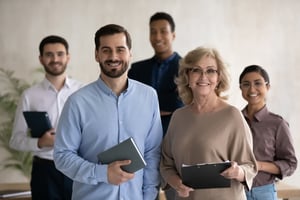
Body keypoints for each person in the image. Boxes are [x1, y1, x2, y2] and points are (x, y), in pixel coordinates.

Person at [53, 24, 163, 200]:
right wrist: (102, 173)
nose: (113, 57)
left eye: (120, 49)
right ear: (97, 55)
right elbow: (62, 156)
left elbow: (152, 153)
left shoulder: (149, 96)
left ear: (130, 53)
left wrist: (149, 196)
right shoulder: (77, 102)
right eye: (106, 50)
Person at [160, 46, 258, 200]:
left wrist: (237, 171)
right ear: (187, 76)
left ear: (218, 78)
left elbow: (250, 166)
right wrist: (177, 183)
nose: (203, 76)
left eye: (210, 70)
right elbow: (166, 164)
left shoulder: (232, 116)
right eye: (196, 70)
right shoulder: (178, 117)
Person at [9, 35, 83, 200]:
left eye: (59, 54)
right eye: (49, 54)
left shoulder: (83, 92)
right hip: (44, 173)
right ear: (41, 59)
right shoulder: (29, 95)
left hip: (77, 168)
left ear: (68, 57)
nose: (55, 59)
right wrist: (40, 143)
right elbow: (15, 139)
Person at [239, 65, 297, 200]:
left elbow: (290, 164)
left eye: (258, 83)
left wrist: (259, 165)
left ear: (268, 87)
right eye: (246, 84)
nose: (252, 89)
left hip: (264, 192)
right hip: (236, 191)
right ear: (240, 88)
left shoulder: (277, 124)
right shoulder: (234, 120)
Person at [128, 12, 183, 136]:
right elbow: (129, 105)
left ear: (173, 35)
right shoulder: (137, 69)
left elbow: (180, 104)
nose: (158, 37)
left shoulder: (187, 69)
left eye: (163, 31)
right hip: (141, 136)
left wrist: (146, 107)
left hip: (175, 135)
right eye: (153, 32)